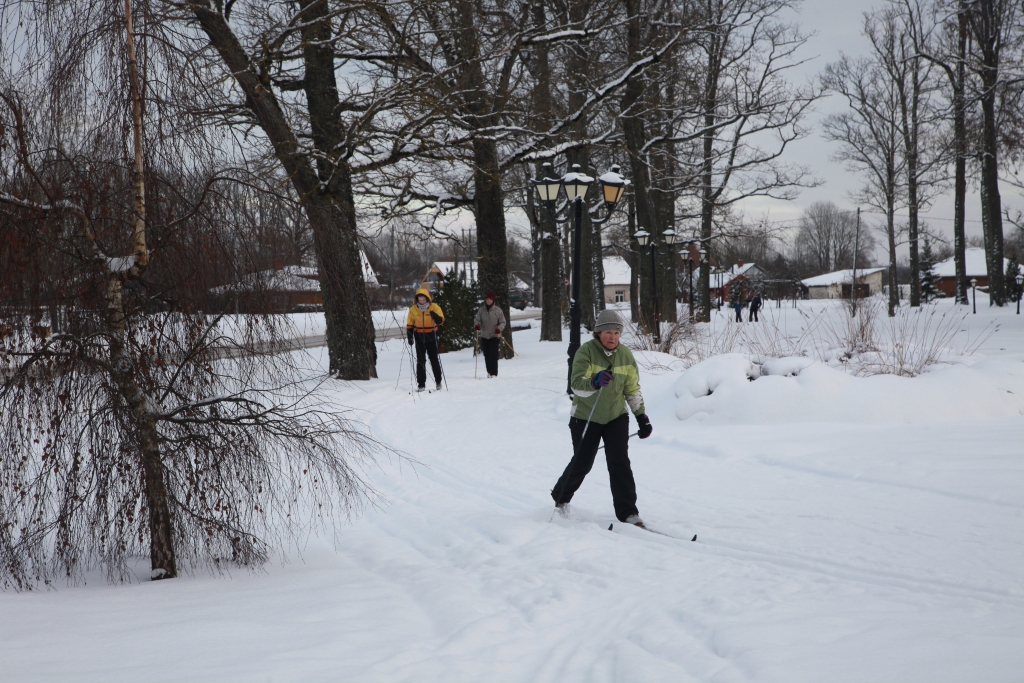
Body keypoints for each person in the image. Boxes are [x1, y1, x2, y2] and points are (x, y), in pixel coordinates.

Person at [550, 309, 653, 527]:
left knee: (620, 463)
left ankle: (628, 512)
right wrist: (595, 381)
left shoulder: (625, 355)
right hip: (585, 416)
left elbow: (631, 389)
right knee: (583, 462)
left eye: (616, 332)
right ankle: (560, 499)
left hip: (616, 416)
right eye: (607, 332)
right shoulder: (585, 352)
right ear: (598, 333)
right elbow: (576, 385)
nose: (612, 337)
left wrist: (641, 416)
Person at [406, 287, 445, 392]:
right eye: (420, 300)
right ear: (417, 299)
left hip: (431, 335)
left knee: (434, 360)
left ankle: (438, 381)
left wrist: (436, 317)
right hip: (419, 336)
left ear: (428, 299)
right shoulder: (413, 309)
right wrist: (410, 337)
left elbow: (441, 321)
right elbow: (410, 324)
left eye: (424, 300)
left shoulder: (434, 307)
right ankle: (421, 384)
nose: (422, 302)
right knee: (420, 361)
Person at [474, 291, 506, 378]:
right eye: (487, 299)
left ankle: (494, 373)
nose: (488, 301)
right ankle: (489, 372)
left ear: (493, 300)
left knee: (493, 354)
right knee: (486, 355)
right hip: (484, 336)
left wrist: (499, 329)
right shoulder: (481, 310)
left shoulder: (498, 311)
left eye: (490, 299)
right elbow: (477, 320)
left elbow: (503, 322)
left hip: (494, 336)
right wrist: (477, 325)